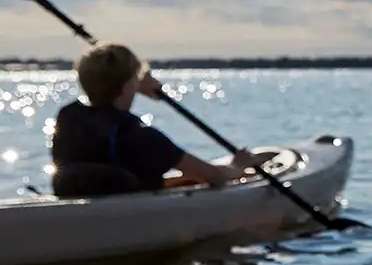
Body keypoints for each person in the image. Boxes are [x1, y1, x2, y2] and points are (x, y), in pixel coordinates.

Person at [50, 43, 257, 199]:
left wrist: (135, 84)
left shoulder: (70, 118)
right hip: (122, 212)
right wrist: (237, 167)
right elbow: (214, 176)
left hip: (79, 197)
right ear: (128, 84)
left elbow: (112, 90)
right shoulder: (141, 137)